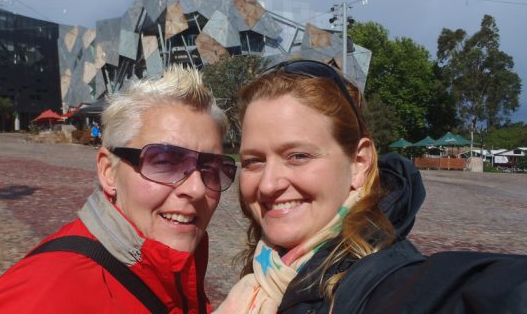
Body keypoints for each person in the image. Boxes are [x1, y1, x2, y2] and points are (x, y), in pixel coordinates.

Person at [215, 59, 527, 314]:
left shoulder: (378, 283)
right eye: (254, 161)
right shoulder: (265, 272)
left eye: (298, 156)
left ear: (359, 164)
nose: (268, 185)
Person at [0, 65, 237, 313]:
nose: (197, 188)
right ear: (108, 172)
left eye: (211, 168)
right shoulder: (44, 299)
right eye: (165, 161)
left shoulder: (174, 267)